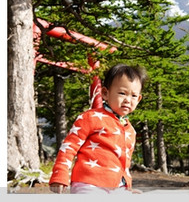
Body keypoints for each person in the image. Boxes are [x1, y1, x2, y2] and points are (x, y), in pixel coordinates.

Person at [49, 64, 146, 194]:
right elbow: (69, 147)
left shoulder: (130, 131)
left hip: (118, 187)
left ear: (139, 99)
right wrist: (60, 173)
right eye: (122, 93)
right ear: (105, 93)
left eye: (133, 96)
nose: (128, 100)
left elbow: (124, 163)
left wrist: (126, 187)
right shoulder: (90, 117)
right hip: (89, 184)